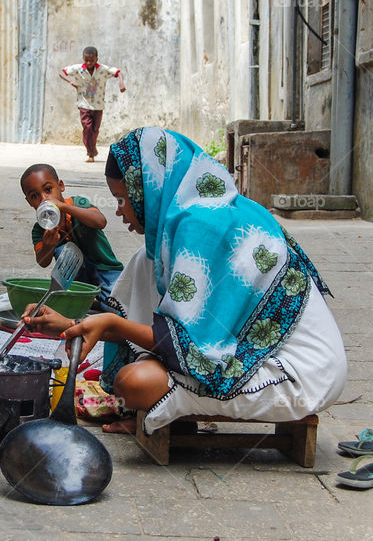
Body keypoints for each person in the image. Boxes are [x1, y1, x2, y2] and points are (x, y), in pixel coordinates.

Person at [23, 127, 347, 435]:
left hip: (299, 374)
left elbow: (189, 349)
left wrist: (112, 325)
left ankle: (158, 409)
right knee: (143, 263)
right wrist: (70, 324)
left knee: (136, 383)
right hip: (253, 353)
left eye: (123, 199)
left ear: (146, 190)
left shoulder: (202, 229)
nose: (120, 213)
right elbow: (146, 325)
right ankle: (158, 410)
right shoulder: (179, 228)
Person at [20, 163, 123, 314]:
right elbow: (42, 262)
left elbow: (100, 221)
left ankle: (96, 302)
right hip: (76, 281)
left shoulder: (79, 204)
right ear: (29, 201)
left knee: (118, 307)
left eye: (48, 190)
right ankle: (87, 298)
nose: (44, 199)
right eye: (35, 196)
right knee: (62, 250)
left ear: (61, 186)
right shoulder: (39, 229)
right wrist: (49, 246)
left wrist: (65, 207)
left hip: (106, 271)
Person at [59, 46, 126, 162]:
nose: (89, 62)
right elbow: (62, 72)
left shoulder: (103, 70)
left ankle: (93, 149)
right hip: (84, 103)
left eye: (92, 60)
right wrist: (71, 82)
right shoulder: (78, 69)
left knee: (95, 130)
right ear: (83, 58)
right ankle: (90, 153)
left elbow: (118, 72)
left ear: (96, 59)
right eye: (86, 60)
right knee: (87, 127)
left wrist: (121, 83)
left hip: (98, 105)